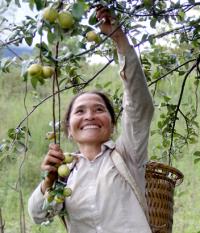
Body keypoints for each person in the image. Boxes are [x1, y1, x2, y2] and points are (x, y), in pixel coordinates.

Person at [28, 6, 154, 233]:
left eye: (98, 109)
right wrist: (49, 181)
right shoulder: (65, 173)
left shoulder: (126, 155)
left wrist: (118, 37)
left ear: (112, 124)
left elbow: (139, 105)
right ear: (68, 129)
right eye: (80, 112)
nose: (89, 116)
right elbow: (38, 215)